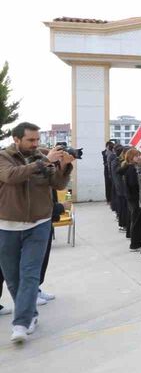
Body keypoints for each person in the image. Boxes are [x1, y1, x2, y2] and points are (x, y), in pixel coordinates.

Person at [0, 122, 74, 344]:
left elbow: (59, 184)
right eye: (30, 140)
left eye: (37, 140)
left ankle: (20, 323)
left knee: (30, 273)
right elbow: (12, 176)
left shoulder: (43, 156)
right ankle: (30, 314)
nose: (35, 144)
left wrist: (64, 166)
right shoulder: (4, 157)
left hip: (39, 223)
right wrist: (45, 161)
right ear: (16, 139)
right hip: (7, 225)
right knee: (13, 278)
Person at [122, 148, 141, 252]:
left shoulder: (132, 167)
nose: (139, 157)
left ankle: (136, 242)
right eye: (137, 156)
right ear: (131, 158)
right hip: (134, 198)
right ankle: (135, 244)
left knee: (135, 219)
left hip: (132, 197)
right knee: (136, 220)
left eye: (139, 155)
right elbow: (133, 184)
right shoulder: (131, 169)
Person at [110, 145, 129, 234]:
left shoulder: (117, 161)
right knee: (123, 208)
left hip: (121, 189)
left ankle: (123, 224)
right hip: (121, 189)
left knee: (123, 208)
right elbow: (118, 174)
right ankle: (122, 225)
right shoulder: (117, 162)